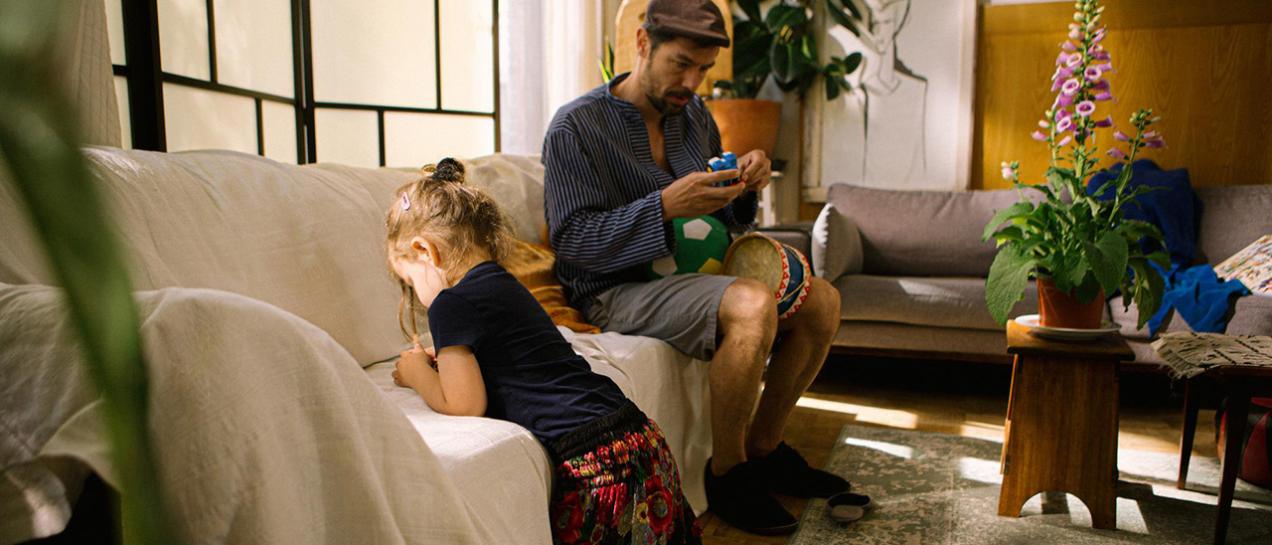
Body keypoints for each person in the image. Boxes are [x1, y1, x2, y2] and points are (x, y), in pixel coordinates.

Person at [542, 0, 847, 536]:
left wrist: (746, 183)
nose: (692, 81)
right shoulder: (576, 127)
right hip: (617, 288)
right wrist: (661, 206)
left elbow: (725, 218)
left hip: (690, 276)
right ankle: (728, 474)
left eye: (702, 70)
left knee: (823, 301)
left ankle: (765, 448)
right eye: (680, 64)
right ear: (642, 43)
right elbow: (573, 244)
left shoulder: (694, 117)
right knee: (751, 305)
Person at [386, 158, 700, 545]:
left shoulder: (451, 304)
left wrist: (418, 373)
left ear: (425, 251)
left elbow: (465, 403)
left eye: (409, 282)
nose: (416, 296)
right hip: (637, 436)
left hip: (595, 466)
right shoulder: (505, 284)